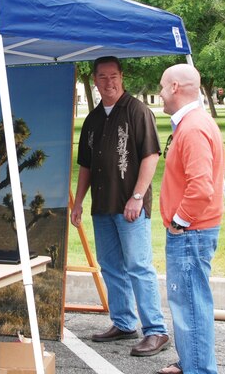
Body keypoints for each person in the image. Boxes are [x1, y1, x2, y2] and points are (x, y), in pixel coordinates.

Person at [70, 56, 169, 356]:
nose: (108, 82)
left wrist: (137, 197)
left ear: (121, 77)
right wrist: (79, 202)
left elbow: (151, 156)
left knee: (139, 266)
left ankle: (156, 330)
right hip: (102, 205)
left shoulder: (138, 112)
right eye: (102, 77)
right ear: (95, 81)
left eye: (113, 76)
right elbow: (86, 165)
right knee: (111, 266)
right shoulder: (93, 118)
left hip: (130, 206)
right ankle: (124, 323)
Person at [157, 63, 225, 374]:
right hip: (194, 230)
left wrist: (179, 222)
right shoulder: (193, 124)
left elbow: (201, 188)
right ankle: (190, 361)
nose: (159, 93)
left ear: (174, 87)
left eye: (161, 87)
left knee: (191, 302)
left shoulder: (193, 128)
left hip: (191, 231)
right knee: (184, 298)